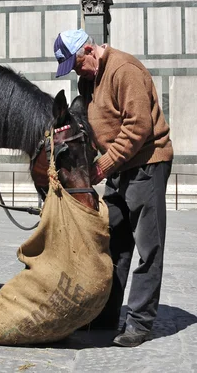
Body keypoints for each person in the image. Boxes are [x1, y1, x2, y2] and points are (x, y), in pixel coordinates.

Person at [53, 29, 173, 347]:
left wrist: (102, 167)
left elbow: (139, 126)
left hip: (147, 164)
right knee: (112, 243)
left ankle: (140, 322)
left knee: (148, 248)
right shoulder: (88, 81)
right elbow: (90, 125)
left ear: (90, 50)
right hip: (120, 168)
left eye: (77, 65)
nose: (77, 72)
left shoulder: (124, 70)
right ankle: (106, 314)